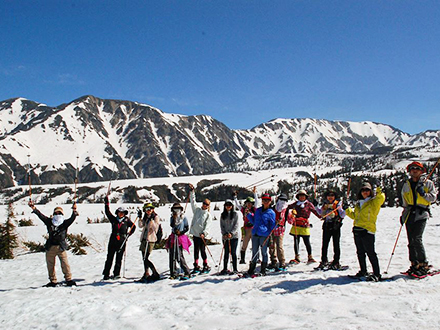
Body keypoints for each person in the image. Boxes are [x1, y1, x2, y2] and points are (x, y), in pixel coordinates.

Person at [28, 201, 78, 287]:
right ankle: (53, 280)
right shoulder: (49, 222)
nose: (57, 214)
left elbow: (72, 218)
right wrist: (34, 208)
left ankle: (68, 279)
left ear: (62, 214)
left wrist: (74, 210)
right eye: (56, 212)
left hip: (61, 247)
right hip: (50, 247)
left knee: (65, 264)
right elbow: (41, 216)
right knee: (50, 265)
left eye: (59, 213)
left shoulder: (65, 223)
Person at [401, 161, 437, 276]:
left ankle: (423, 263)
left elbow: (433, 198)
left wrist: (423, 194)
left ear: (421, 171)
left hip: (421, 213)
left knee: (417, 238)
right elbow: (405, 200)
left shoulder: (428, 183)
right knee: (411, 240)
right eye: (412, 169)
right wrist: (403, 214)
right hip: (410, 213)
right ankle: (414, 263)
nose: (414, 170)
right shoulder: (406, 184)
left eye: (417, 168)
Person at [345, 182, 385, 282]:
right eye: (363, 190)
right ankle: (363, 270)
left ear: (371, 191)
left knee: (371, 252)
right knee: (360, 252)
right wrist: (347, 209)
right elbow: (354, 216)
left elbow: (381, 198)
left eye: (367, 190)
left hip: (368, 230)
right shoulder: (359, 203)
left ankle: (377, 273)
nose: (365, 192)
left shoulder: (374, 202)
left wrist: (379, 189)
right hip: (357, 229)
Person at [102, 196, 136, 280]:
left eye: (122, 213)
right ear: (117, 212)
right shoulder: (113, 219)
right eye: (119, 212)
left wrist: (128, 234)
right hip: (113, 240)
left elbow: (133, 227)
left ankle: (116, 274)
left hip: (122, 241)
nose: (121, 214)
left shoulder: (126, 220)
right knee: (109, 257)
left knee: (119, 258)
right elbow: (107, 212)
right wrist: (106, 203)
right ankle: (106, 274)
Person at [285, 190, 320, 264]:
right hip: (296, 225)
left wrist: (321, 217)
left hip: (305, 225)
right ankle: (296, 257)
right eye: (300, 195)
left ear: (305, 197)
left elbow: (315, 211)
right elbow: (287, 207)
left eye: (303, 195)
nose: (301, 197)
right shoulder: (295, 204)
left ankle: (310, 256)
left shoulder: (309, 204)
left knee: (307, 242)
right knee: (296, 242)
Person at [247, 193, 276, 276]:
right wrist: (249, 216)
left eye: (267, 200)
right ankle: (251, 268)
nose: (265, 201)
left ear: (270, 201)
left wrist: (269, 234)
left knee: (264, 252)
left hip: (264, 235)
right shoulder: (258, 210)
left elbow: (272, 226)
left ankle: (263, 269)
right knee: (254, 252)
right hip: (255, 233)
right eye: (264, 200)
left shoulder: (271, 213)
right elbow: (254, 221)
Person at [316, 190, 346, 270]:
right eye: (329, 196)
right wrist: (316, 206)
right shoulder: (325, 205)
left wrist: (345, 209)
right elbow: (320, 213)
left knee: (336, 244)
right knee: (324, 244)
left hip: (335, 225)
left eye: (332, 196)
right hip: (326, 225)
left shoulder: (337, 204)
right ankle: (324, 260)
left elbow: (342, 215)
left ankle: (336, 261)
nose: (330, 197)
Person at [188, 183, 212, 274]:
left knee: (202, 250)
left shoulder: (208, 215)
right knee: (196, 250)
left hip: (202, 235)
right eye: (204, 203)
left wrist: (204, 233)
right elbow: (192, 202)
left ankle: (205, 264)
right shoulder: (197, 210)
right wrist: (192, 191)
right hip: (195, 234)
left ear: (208, 206)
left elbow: (208, 226)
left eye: (206, 204)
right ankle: (196, 264)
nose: (204, 205)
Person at [166, 202, 192, 279]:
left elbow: (187, 227)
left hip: (180, 238)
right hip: (173, 237)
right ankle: (173, 273)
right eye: (175, 209)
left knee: (179, 255)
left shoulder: (184, 218)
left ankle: (186, 271)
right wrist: (174, 219)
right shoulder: (172, 217)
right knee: (172, 256)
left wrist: (181, 232)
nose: (176, 210)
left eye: (178, 209)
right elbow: (172, 225)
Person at [138, 203, 161, 282]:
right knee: (143, 257)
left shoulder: (155, 217)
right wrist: (140, 218)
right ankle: (146, 273)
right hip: (144, 239)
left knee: (146, 257)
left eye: (150, 209)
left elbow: (155, 228)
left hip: (151, 239)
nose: (149, 211)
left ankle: (155, 273)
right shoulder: (145, 217)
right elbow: (140, 226)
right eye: (147, 209)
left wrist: (151, 221)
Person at [233, 192, 256, 265]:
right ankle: (242, 259)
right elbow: (237, 205)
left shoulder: (254, 210)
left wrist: (255, 193)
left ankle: (255, 258)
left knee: (254, 245)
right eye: (248, 203)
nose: (249, 204)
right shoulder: (243, 210)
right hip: (246, 229)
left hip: (253, 229)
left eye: (250, 203)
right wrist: (235, 197)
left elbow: (257, 202)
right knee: (244, 244)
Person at [268, 193, 289, 270]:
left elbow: (288, 218)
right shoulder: (274, 208)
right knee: (271, 245)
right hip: (272, 228)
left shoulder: (286, 209)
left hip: (280, 229)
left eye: (284, 200)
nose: (282, 202)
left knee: (279, 246)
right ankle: (273, 261)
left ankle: (282, 262)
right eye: (281, 200)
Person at [219, 199, 240, 275]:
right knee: (226, 252)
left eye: (230, 205)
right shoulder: (222, 215)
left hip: (234, 237)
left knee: (233, 252)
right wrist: (224, 233)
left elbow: (236, 225)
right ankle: (225, 268)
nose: (228, 206)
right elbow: (222, 225)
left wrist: (231, 233)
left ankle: (235, 268)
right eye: (227, 205)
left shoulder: (235, 214)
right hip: (225, 237)